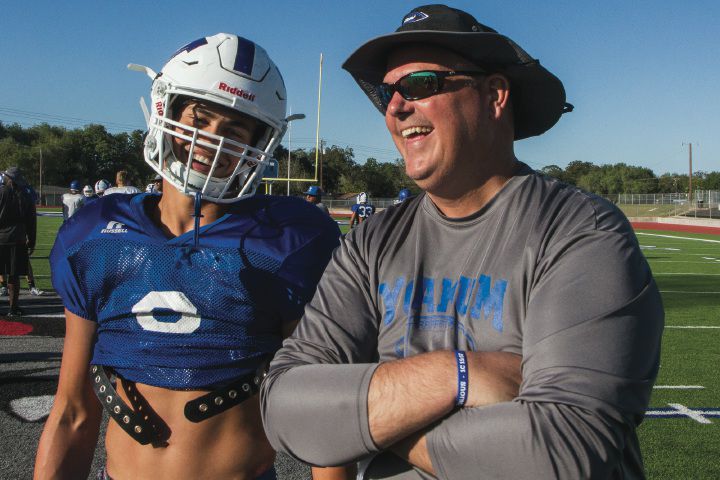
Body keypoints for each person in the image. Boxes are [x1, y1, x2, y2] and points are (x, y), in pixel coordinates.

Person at [260, 5, 664, 480]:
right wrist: (456, 374)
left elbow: (562, 452)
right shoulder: (370, 243)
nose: (395, 107)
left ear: (494, 94)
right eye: (388, 92)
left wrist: (358, 422)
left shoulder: (581, 232)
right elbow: (283, 406)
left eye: (421, 84)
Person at [35, 33, 340, 480]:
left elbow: (319, 412)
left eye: (234, 131)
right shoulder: (95, 234)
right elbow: (72, 412)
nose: (211, 140)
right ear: (166, 109)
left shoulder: (288, 241)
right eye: (200, 118)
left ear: (261, 144)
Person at [0, 167, 37, 317]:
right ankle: (13, 308)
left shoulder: (0, 192)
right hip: (18, 239)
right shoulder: (26, 196)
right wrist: (32, 241)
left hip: (1, 238)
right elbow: (31, 222)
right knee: (14, 276)